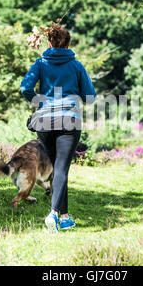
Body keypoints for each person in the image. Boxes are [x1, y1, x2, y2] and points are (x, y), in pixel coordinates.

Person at [20, 23, 96, 232]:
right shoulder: (77, 66)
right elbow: (90, 97)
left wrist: (38, 100)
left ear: (50, 42)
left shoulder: (40, 63)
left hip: (45, 121)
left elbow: (25, 87)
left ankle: (64, 217)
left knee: (58, 168)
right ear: (68, 43)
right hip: (69, 121)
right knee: (62, 168)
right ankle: (53, 215)